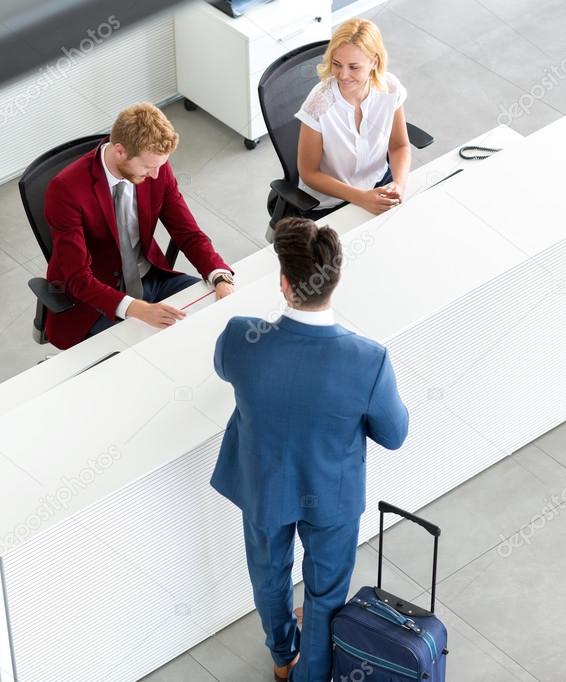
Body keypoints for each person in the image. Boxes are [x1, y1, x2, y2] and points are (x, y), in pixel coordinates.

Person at [210, 217, 409, 682]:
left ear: (284, 283)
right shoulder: (369, 360)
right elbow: (394, 435)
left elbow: (224, 369)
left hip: (264, 488)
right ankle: (311, 674)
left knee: (269, 574)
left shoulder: (242, 337)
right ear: (335, 280)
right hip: (331, 497)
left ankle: (283, 656)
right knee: (325, 591)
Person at [43, 102, 236, 350]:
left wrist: (219, 275)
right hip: (96, 301)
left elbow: (187, 232)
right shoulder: (66, 190)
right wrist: (137, 309)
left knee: (215, 317)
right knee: (138, 360)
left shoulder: (157, 167)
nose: (156, 175)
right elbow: (78, 278)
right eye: (148, 167)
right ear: (120, 151)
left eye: (160, 165)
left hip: (151, 278)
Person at [295, 18, 411, 221]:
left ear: (374, 62)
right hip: (329, 202)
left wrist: (399, 185)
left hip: (378, 183)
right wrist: (361, 198)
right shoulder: (319, 105)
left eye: (354, 67)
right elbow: (308, 173)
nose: (343, 75)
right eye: (337, 64)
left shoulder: (390, 89)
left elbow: (400, 146)